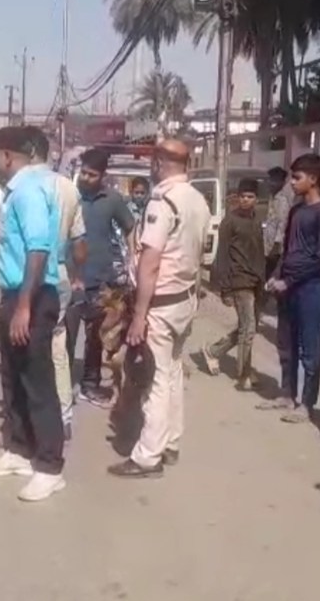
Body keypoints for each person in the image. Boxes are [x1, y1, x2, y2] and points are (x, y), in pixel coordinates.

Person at [108, 139, 211, 478]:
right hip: (184, 299)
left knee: (152, 377)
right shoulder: (198, 200)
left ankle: (147, 457)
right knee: (172, 373)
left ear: (158, 164)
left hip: (160, 304)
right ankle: (170, 443)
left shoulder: (163, 202)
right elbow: (198, 255)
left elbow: (150, 262)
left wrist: (139, 316)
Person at [0, 126, 67, 503]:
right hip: (14, 294)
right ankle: (17, 449)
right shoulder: (16, 191)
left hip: (31, 296)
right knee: (12, 377)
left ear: (8, 155)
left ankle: (49, 466)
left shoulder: (29, 191)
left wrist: (25, 307)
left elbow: (38, 250)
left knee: (38, 382)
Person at [21, 126, 87, 441]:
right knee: (57, 348)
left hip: (31, 277)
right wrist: (75, 276)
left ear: (30, 153)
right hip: (59, 274)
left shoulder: (26, 187)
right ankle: (63, 415)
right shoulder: (69, 189)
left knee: (30, 351)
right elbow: (80, 243)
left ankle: (34, 422)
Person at [262, 154, 320, 424]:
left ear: (313, 179)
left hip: (309, 288)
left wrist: (290, 281)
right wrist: (277, 274)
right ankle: (287, 393)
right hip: (287, 286)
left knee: (309, 348)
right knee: (286, 343)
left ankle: (307, 404)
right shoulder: (296, 210)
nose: (292, 182)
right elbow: (288, 249)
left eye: (297, 177)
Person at [68, 148, 136, 408]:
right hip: (71, 278)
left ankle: (89, 385)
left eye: (92, 174)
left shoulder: (112, 200)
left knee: (97, 337)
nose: (85, 178)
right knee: (66, 336)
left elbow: (130, 227)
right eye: (83, 172)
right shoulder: (69, 195)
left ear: (102, 176)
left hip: (101, 281)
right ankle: (62, 386)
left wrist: (132, 259)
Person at [203, 177, 266, 390]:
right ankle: (244, 374)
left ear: (256, 199)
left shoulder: (257, 220)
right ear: (237, 198)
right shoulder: (229, 222)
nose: (246, 200)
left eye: (250, 197)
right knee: (247, 329)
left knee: (247, 327)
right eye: (243, 196)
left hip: (256, 280)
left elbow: (259, 253)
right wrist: (225, 289)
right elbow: (222, 256)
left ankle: (214, 351)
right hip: (239, 280)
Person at [262, 166, 293, 281]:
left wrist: (276, 246)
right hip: (268, 245)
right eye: (270, 180)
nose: (271, 183)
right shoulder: (272, 197)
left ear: (282, 182)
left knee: (272, 277)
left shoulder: (282, 201)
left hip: (275, 249)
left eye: (274, 180)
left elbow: (282, 224)